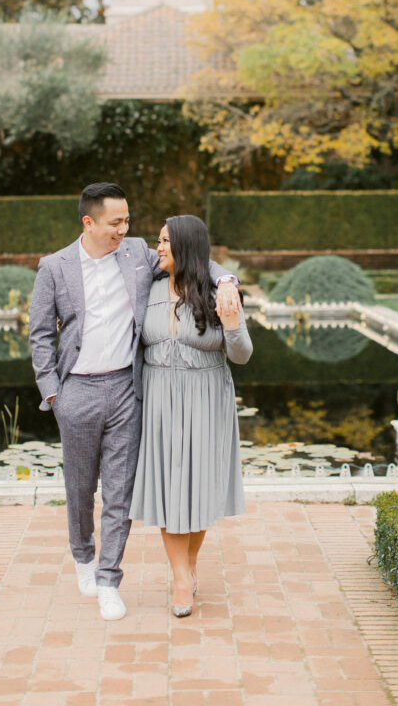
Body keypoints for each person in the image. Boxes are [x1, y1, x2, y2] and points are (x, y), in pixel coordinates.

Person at [28, 183, 239, 622]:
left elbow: (194, 257)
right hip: (76, 391)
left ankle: (109, 579)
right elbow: (41, 334)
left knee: (119, 491)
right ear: (89, 222)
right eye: (116, 222)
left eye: (127, 220)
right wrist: (53, 392)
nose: (125, 229)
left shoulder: (136, 252)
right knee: (81, 488)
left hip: (127, 388)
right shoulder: (55, 267)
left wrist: (227, 279)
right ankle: (83, 555)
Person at [129, 214, 252, 617]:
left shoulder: (219, 293)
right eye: (158, 240)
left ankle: (189, 562)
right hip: (160, 397)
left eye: (165, 241)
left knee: (199, 487)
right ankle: (181, 577)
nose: (157, 247)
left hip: (206, 397)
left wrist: (233, 324)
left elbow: (242, 355)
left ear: (184, 246)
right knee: (168, 487)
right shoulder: (146, 286)